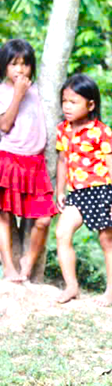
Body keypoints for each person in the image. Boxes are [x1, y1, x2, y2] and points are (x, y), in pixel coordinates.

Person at [53, 74, 112, 306]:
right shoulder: (63, 130)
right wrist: (60, 190)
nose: (67, 106)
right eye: (64, 101)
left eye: (73, 102)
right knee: (62, 234)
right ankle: (71, 286)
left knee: (107, 241)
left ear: (91, 104)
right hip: (76, 194)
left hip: (100, 191)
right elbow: (62, 161)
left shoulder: (101, 131)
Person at [0, 39, 57, 282]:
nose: (20, 70)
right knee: (3, 215)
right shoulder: (3, 90)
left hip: (35, 164)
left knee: (43, 219)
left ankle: (28, 261)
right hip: (9, 160)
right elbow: (4, 124)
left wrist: (26, 91)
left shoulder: (39, 90)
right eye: (14, 64)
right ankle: (9, 267)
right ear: (4, 66)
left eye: (25, 64)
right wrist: (18, 95)